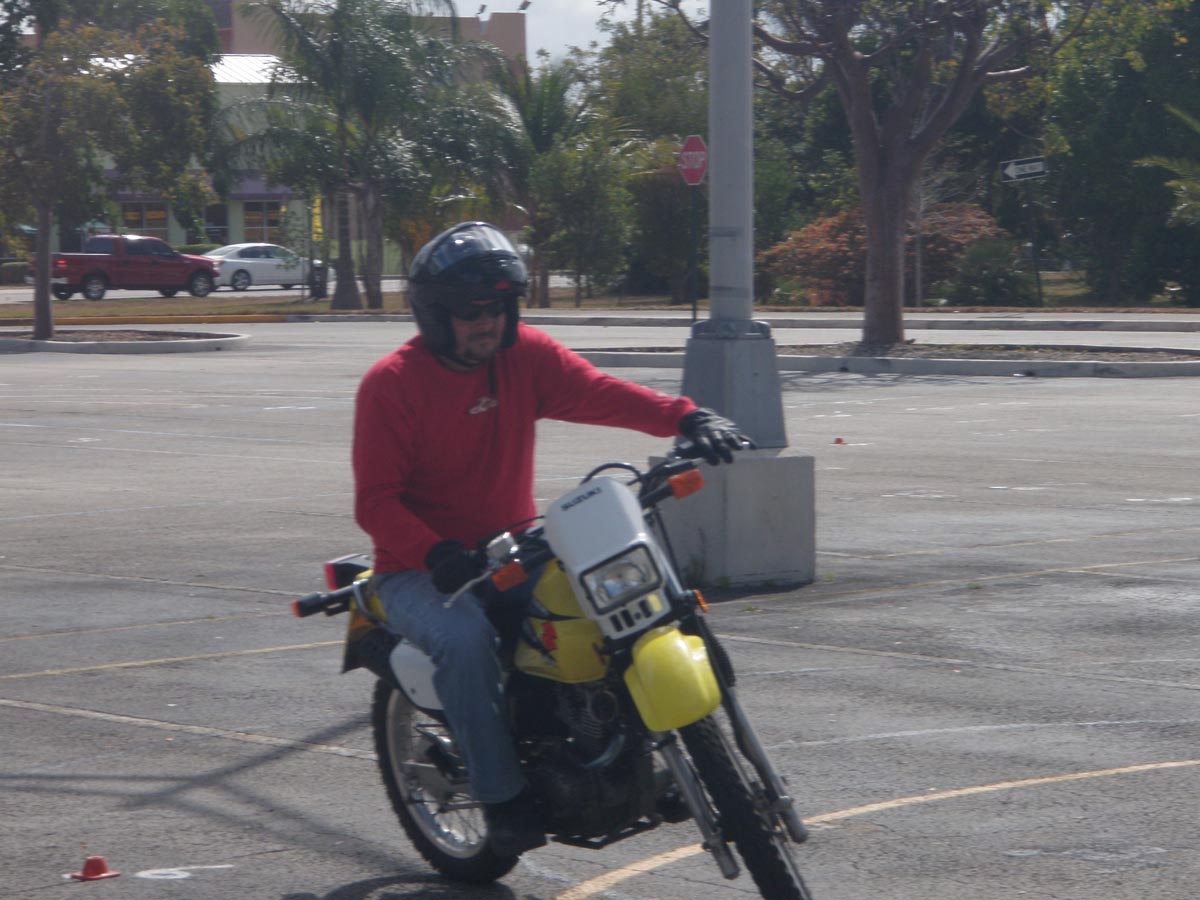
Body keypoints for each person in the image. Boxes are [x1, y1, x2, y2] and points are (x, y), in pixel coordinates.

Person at [352, 221, 750, 856]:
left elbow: (598, 392)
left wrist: (687, 417)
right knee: (466, 640)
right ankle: (503, 798)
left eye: (499, 308)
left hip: (515, 547)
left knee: (614, 605)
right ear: (436, 315)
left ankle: (641, 748)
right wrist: (434, 553)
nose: (487, 322)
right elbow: (375, 501)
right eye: (470, 311)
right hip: (420, 571)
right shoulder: (392, 384)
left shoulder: (524, 357)